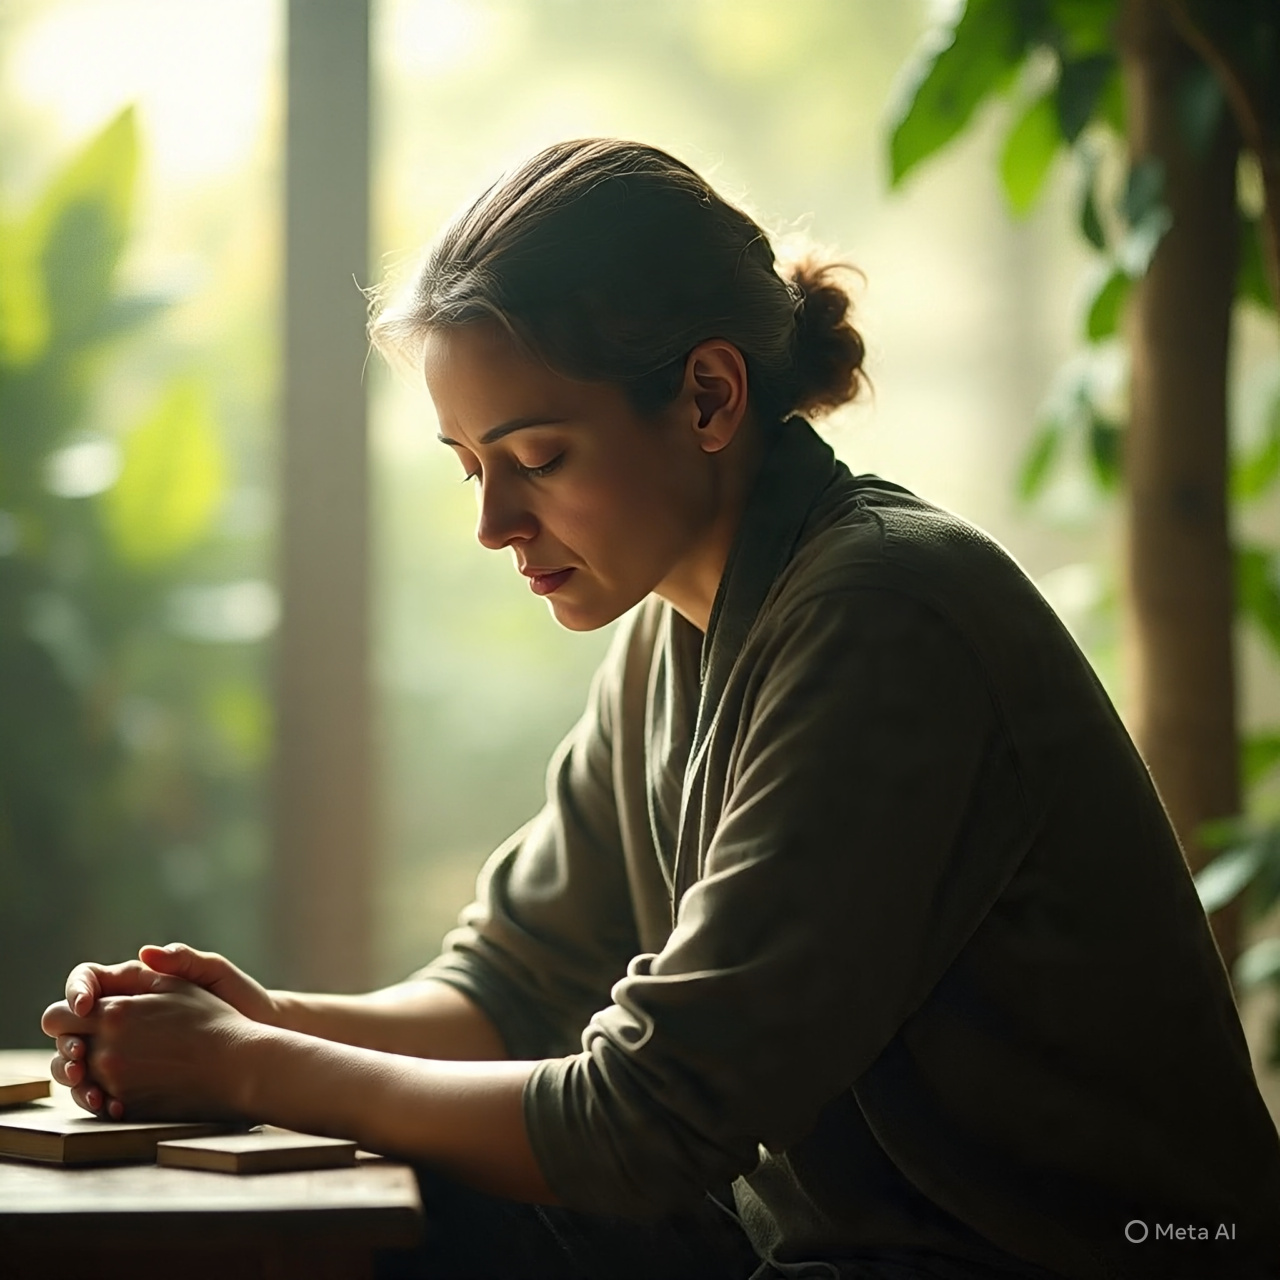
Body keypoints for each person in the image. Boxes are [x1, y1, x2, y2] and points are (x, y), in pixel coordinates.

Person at [42, 138, 1280, 1280]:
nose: (494, 525)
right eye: (472, 466)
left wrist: (254, 1066)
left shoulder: (885, 613)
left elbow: (647, 1120)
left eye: (538, 457)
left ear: (705, 396)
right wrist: (244, 1019)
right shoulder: (668, 632)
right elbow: (510, 990)